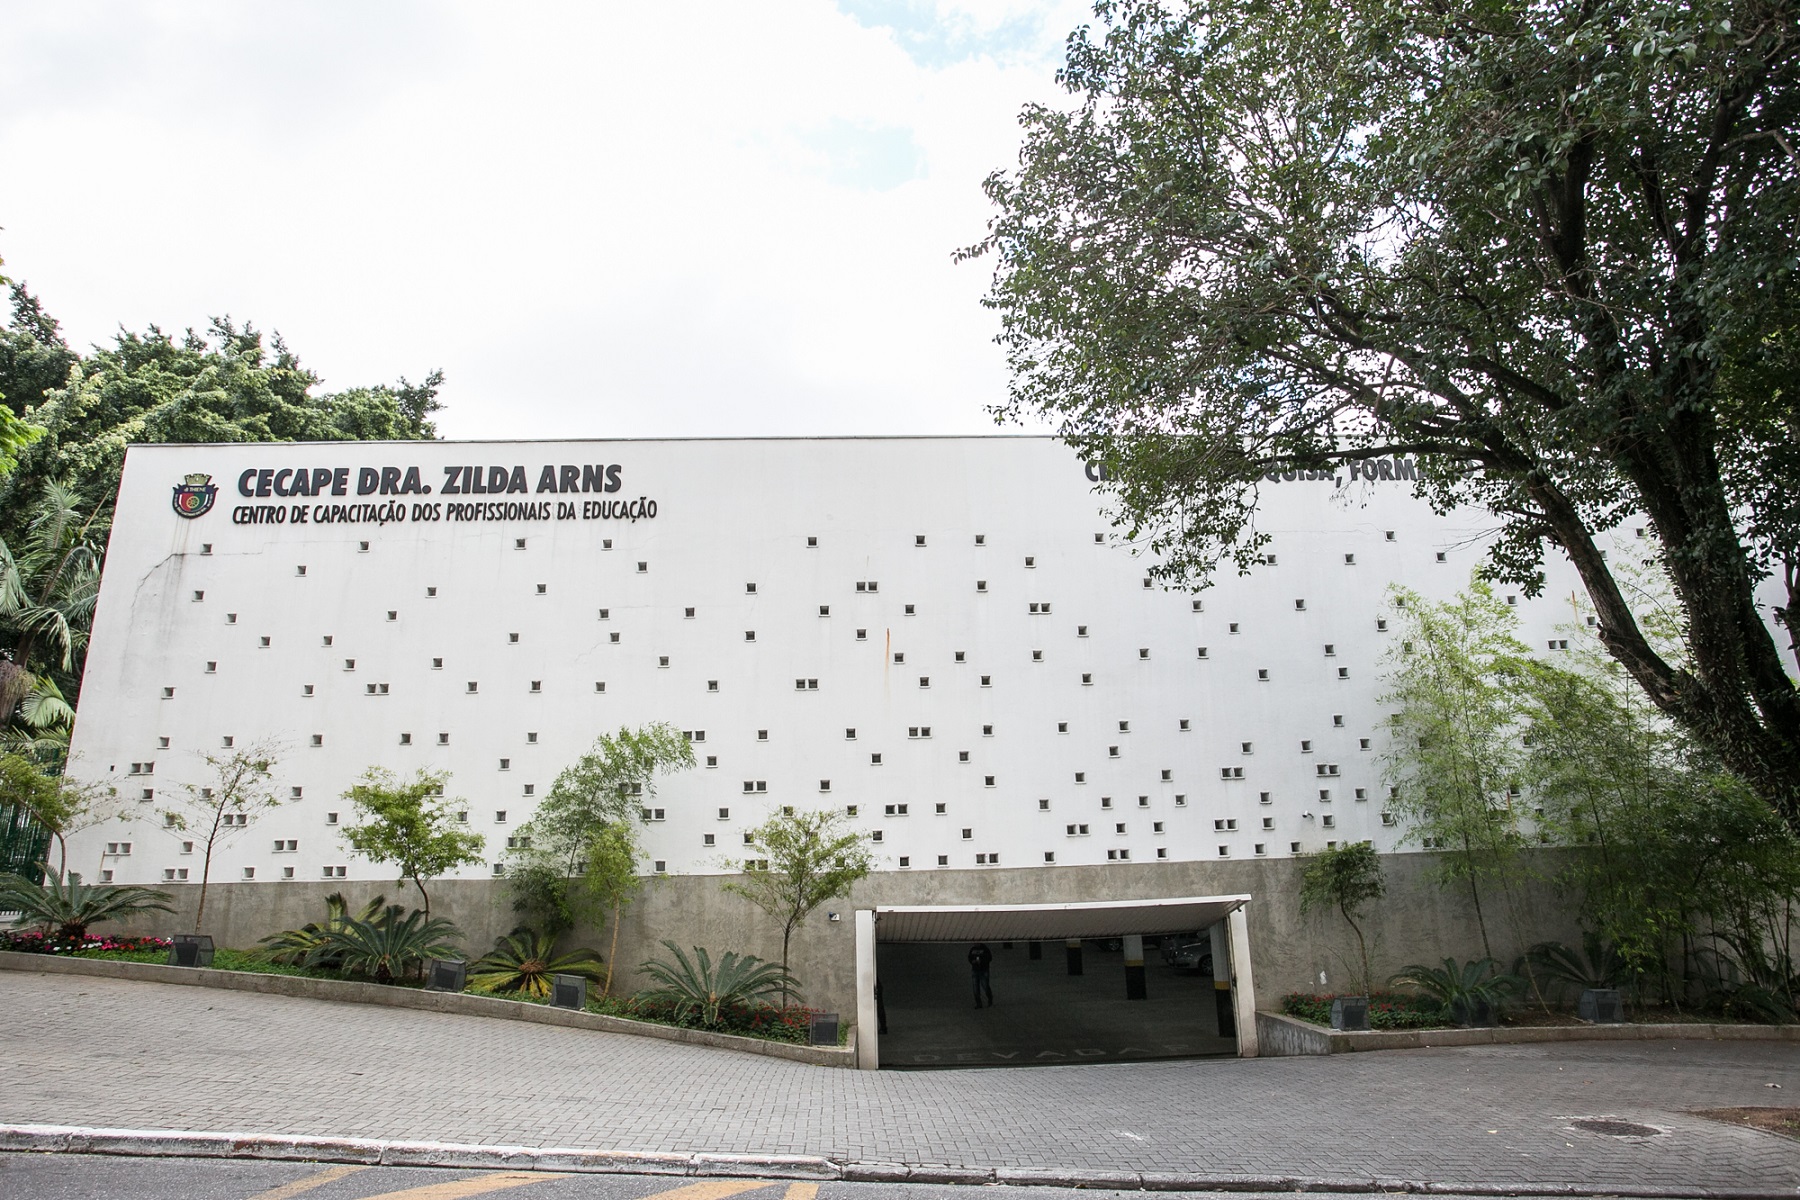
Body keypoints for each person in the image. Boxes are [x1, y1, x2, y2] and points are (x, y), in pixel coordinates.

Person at [968, 942, 994, 1009]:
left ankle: (990, 998)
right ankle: (978, 1003)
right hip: (975, 970)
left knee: (985, 986)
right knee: (975, 988)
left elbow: (989, 958)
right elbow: (969, 957)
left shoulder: (985, 949)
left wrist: (982, 961)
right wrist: (972, 961)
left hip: (983, 970)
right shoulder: (972, 949)